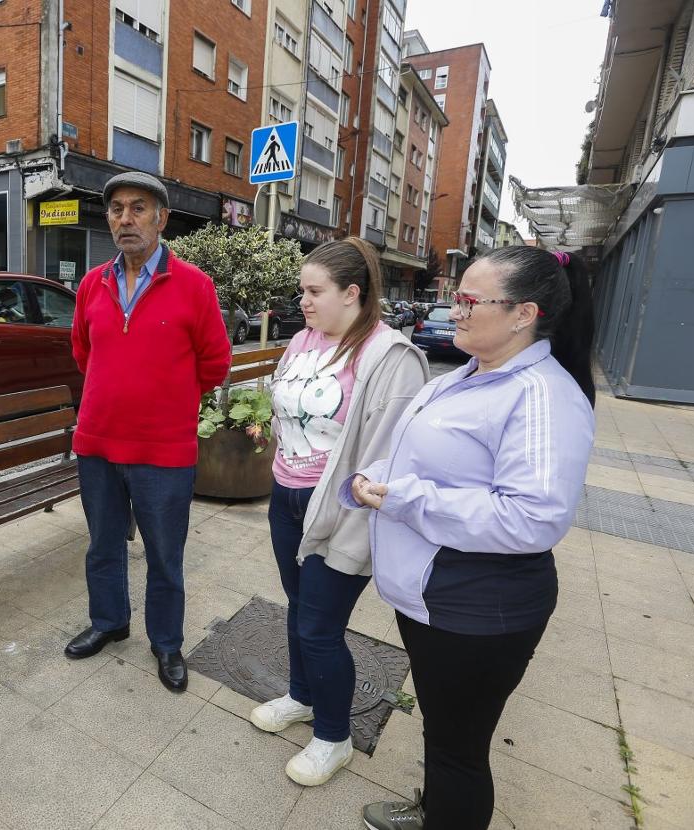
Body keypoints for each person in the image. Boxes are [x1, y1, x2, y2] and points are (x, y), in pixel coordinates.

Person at [346, 247, 597, 830]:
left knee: (460, 751)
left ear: (522, 313)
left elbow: (533, 517)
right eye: (454, 298)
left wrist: (407, 498)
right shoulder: (468, 375)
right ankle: (433, 810)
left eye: (467, 301)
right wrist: (379, 478)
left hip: (480, 605)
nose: (450, 310)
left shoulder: (541, 396)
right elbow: (435, 462)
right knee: (443, 728)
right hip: (438, 597)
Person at [248, 239, 428, 787]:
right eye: (302, 290)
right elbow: (284, 407)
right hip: (286, 496)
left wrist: (358, 517)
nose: (302, 301)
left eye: (314, 291)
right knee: (299, 607)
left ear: (352, 294)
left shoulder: (390, 356)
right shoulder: (303, 340)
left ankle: (333, 737)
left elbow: (391, 451)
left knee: (320, 626)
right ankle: (302, 697)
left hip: (344, 508)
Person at [63, 171, 232, 692]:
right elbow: (82, 352)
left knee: (164, 553)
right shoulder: (94, 283)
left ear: (162, 219)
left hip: (164, 451)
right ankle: (109, 622)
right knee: (102, 545)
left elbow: (216, 363)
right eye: (116, 209)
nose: (125, 219)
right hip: (98, 445)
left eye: (138, 208)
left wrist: (165, 400)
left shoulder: (194, 286)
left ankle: (166, 642)